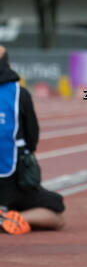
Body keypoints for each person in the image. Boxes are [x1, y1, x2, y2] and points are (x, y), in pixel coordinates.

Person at [0, 47, 65, 235]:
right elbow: (32, 139)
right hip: (11, 184)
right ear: (9, 65)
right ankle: (9, 216)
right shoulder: (19, 94)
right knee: (57, 211)